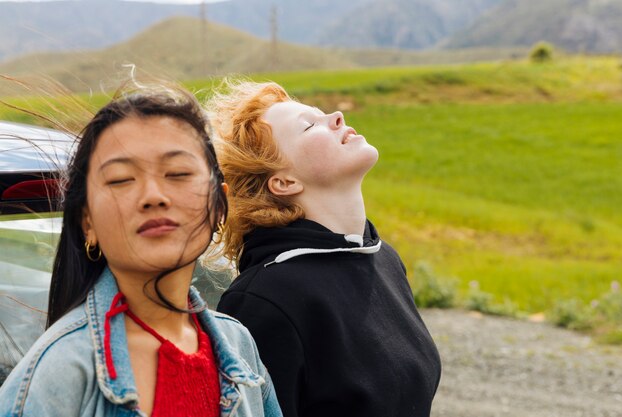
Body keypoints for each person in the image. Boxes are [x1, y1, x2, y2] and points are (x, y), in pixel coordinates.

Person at [0, 84, 283, 417]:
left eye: (178, 173)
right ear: (87, 222)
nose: (153, 195)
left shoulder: (239, 346)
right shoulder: (59, 373)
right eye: (120, 179)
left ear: (220, 205)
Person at [209, 81, 441, 417]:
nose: (336, 116)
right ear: (284, 182)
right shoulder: (263, 300)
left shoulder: (382, 257)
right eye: (309, 125)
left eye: (322, 115)